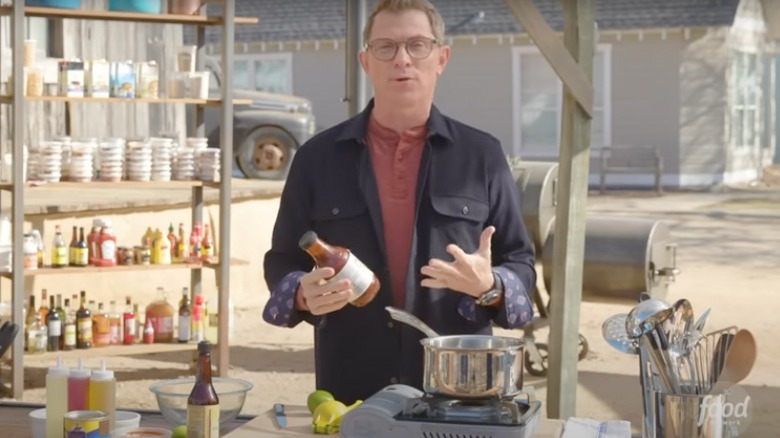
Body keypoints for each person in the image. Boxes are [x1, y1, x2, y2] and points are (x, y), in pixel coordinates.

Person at [262, 0, 536, 405]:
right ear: (365, 61)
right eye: (385, 47)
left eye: (417, 45)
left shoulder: (483, 156)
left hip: (459, 389)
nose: (402, 59)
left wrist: (490, 286)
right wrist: (301, 294)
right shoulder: (316, 158)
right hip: (351, 386)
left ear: (442, 58)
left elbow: (521, 262)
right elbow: (282, 260)